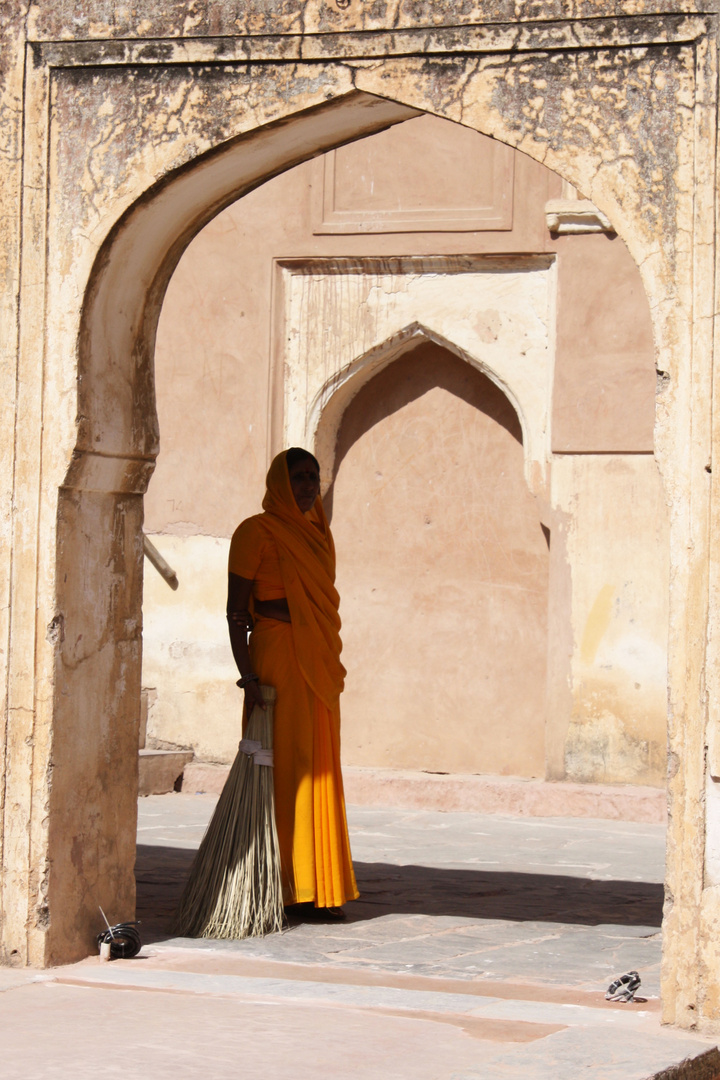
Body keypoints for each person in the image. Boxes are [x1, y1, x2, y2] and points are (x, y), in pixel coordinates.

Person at [226, 448, 359, 916]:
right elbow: (237, 612)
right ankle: (280, 884)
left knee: (318, 761)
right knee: (283, 766)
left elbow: (320, 602)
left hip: (318, 660)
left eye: (313, 477)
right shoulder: (255, 532)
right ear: (280, 482)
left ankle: (318, 885)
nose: (307, 485)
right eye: (298, 476)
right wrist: (248, 675)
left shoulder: (321, 535)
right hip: (277, 656)